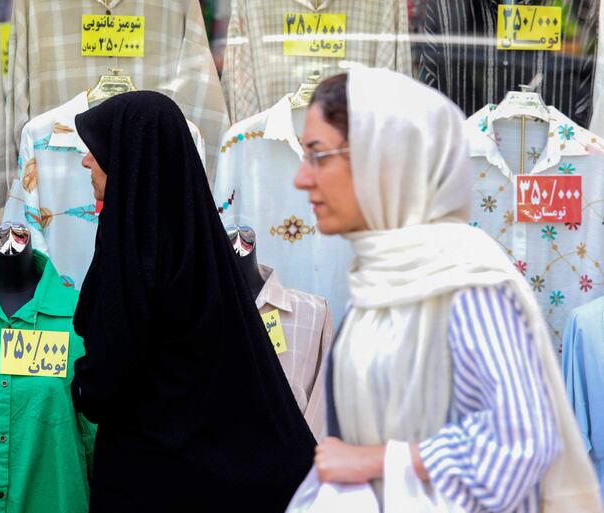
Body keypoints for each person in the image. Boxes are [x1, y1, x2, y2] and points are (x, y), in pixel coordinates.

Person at [293, 68, 602, 512]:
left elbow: (522, 442)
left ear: (382, 159)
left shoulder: (465, 284)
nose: (301, 178)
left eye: (319, 156)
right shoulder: (382, 279)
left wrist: (379, 461)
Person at [70, 91, 315, 512]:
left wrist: (81, 386)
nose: (86, 161)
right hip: (213, 477)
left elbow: (108, 373)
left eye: (98, 149)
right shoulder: (202, 248)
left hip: (147, 479)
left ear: (129, 157)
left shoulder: (132, 253)